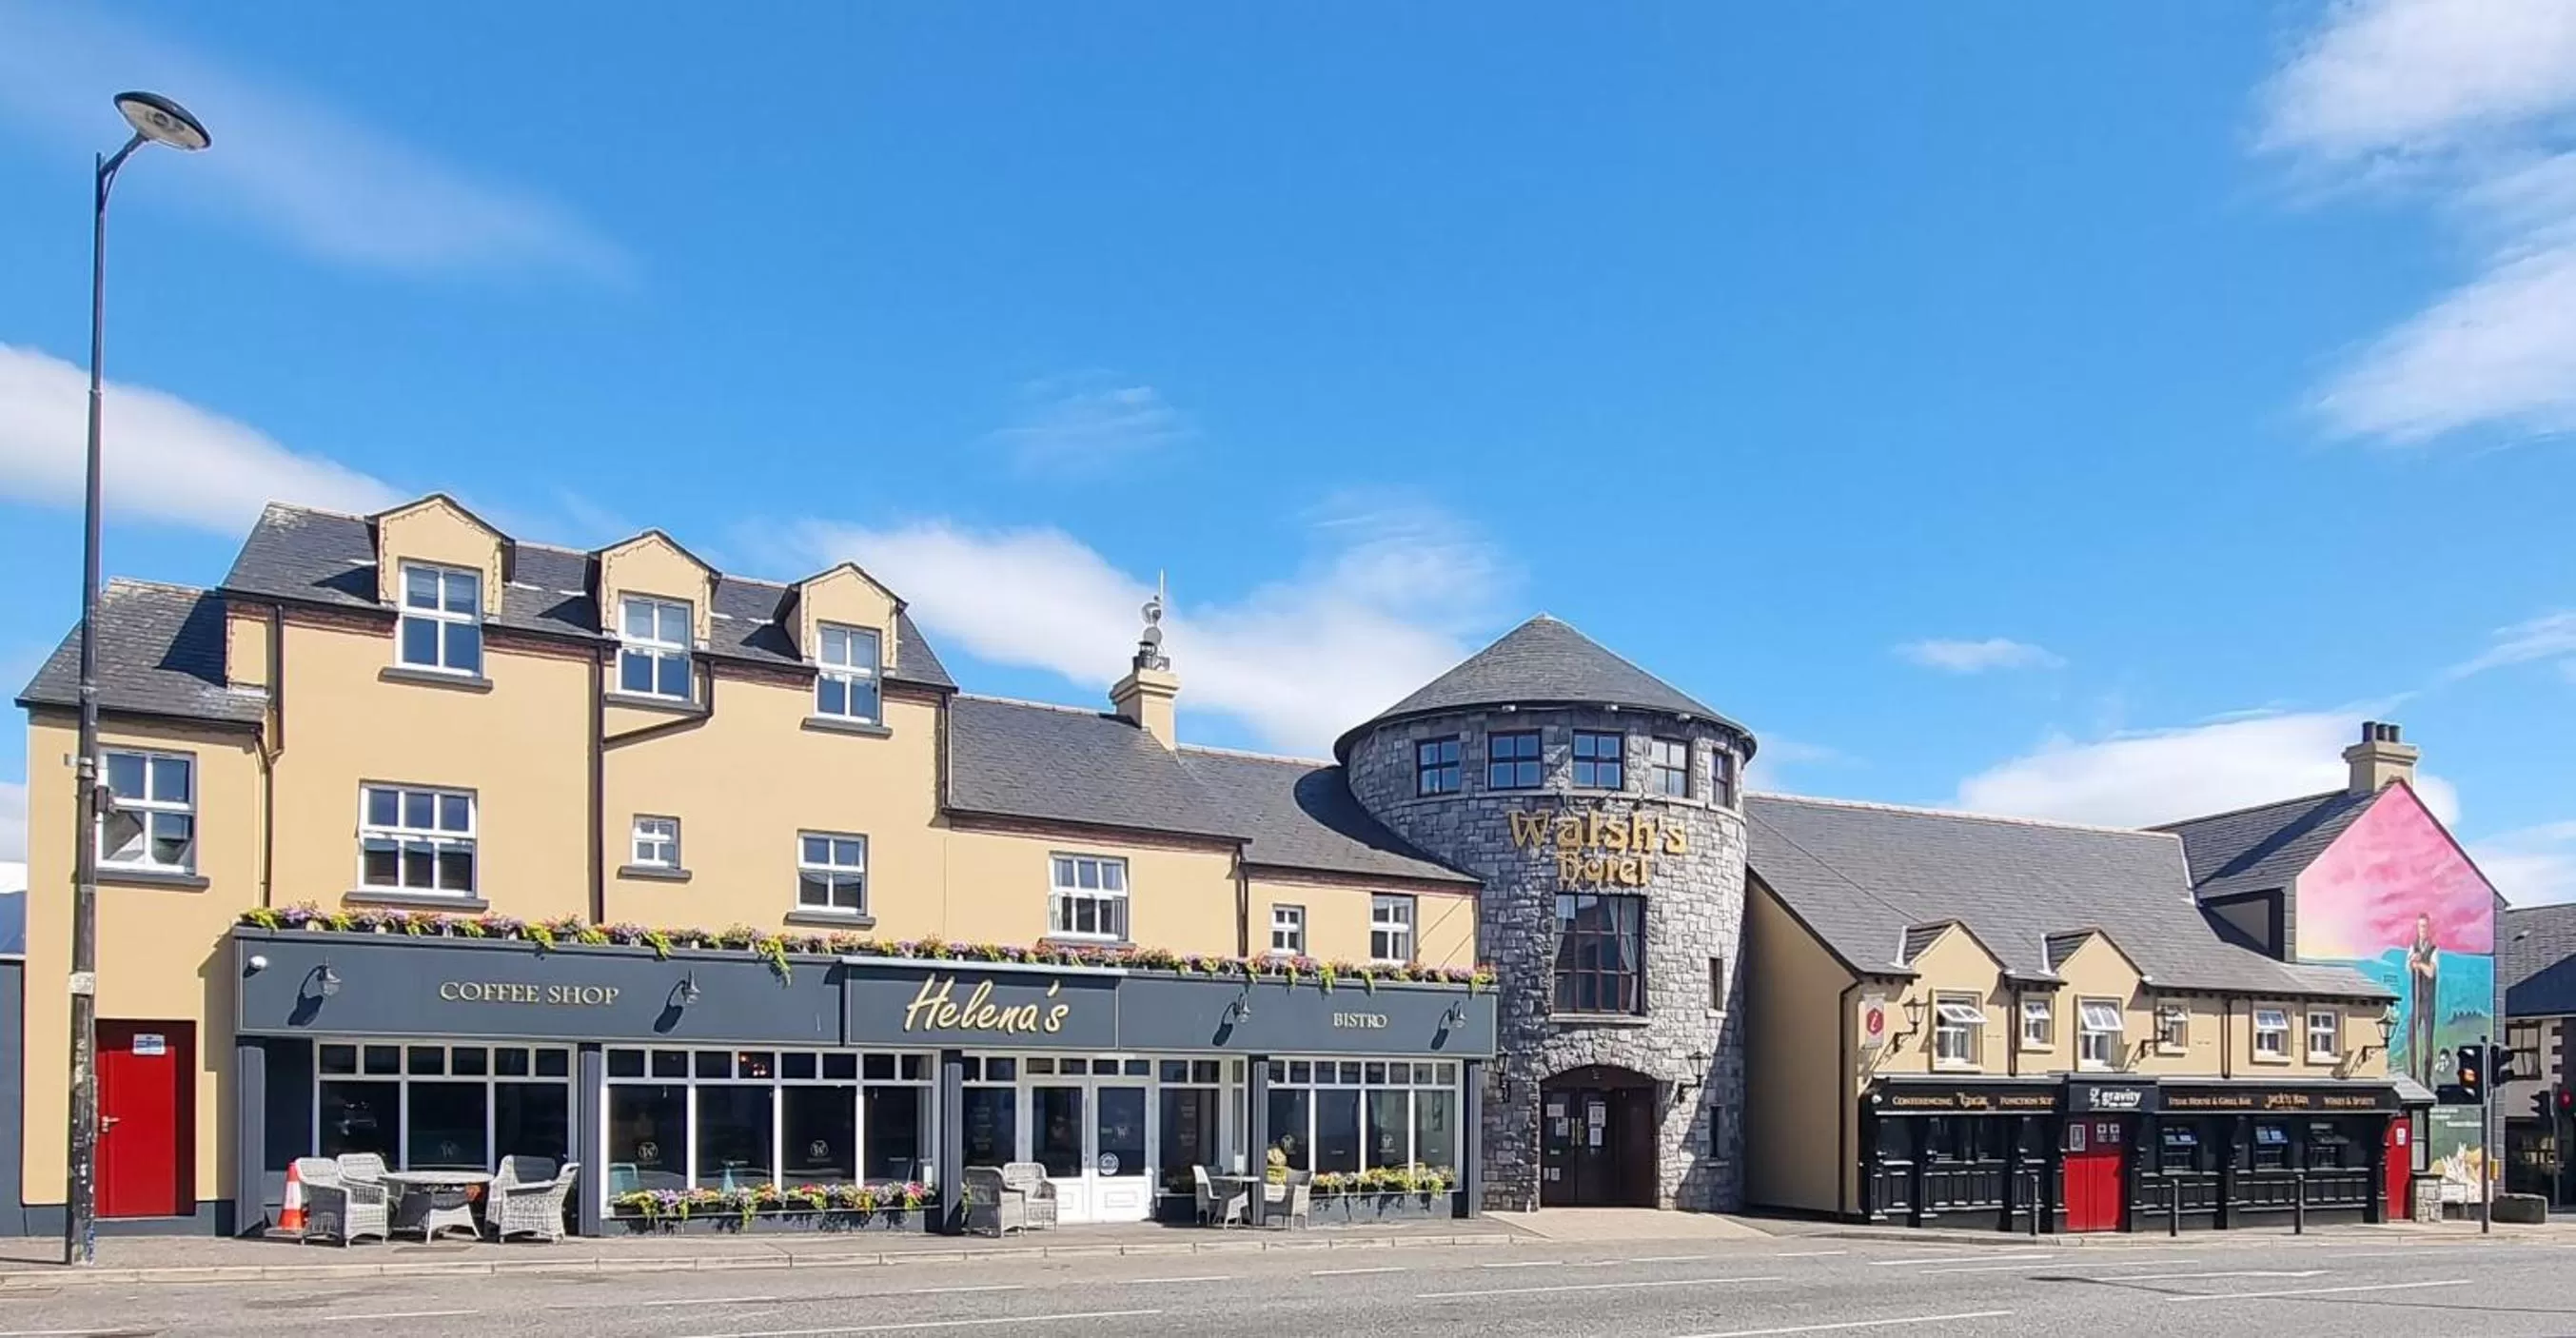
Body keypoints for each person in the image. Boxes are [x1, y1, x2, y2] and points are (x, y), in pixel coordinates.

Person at [2407, 913, 2440, 1087]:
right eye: (2420, 926)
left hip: (2429, 1002)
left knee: (2427, 1040)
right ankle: (2413, 1073)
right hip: (2417, 1000)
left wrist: (2419, 964)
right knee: (2411, 1035)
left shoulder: (2434, 949)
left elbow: (2431, 972)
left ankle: (2426, 1076)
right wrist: (2414, 961)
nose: (2422, 930)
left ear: (2429, 929)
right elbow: (2408, 966)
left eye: (2425, 926)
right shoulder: (2413, 947)